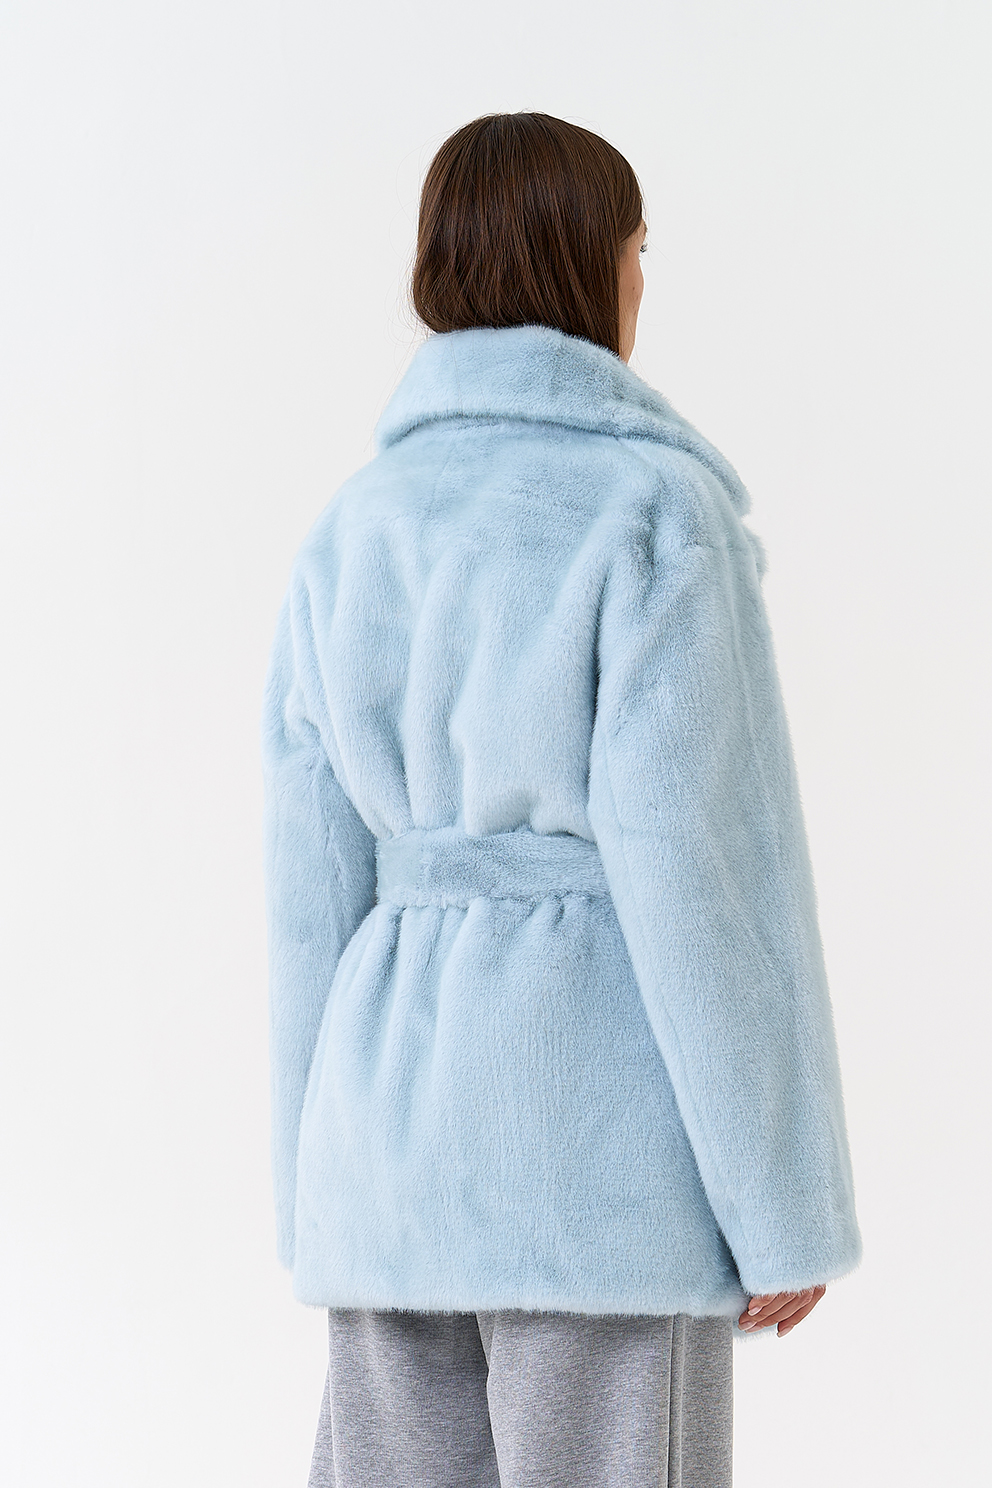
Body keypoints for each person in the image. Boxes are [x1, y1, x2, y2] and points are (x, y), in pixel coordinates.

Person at [261, 111, 861, 1488]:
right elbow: (701, 872)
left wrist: (317, 1201)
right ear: (593, 261)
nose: (643, 281)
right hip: (596, 1174)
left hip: (385, 1157)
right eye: (640, 251)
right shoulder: (652, 513)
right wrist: (779, 1207)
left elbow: (308, 896)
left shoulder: (353, 529)